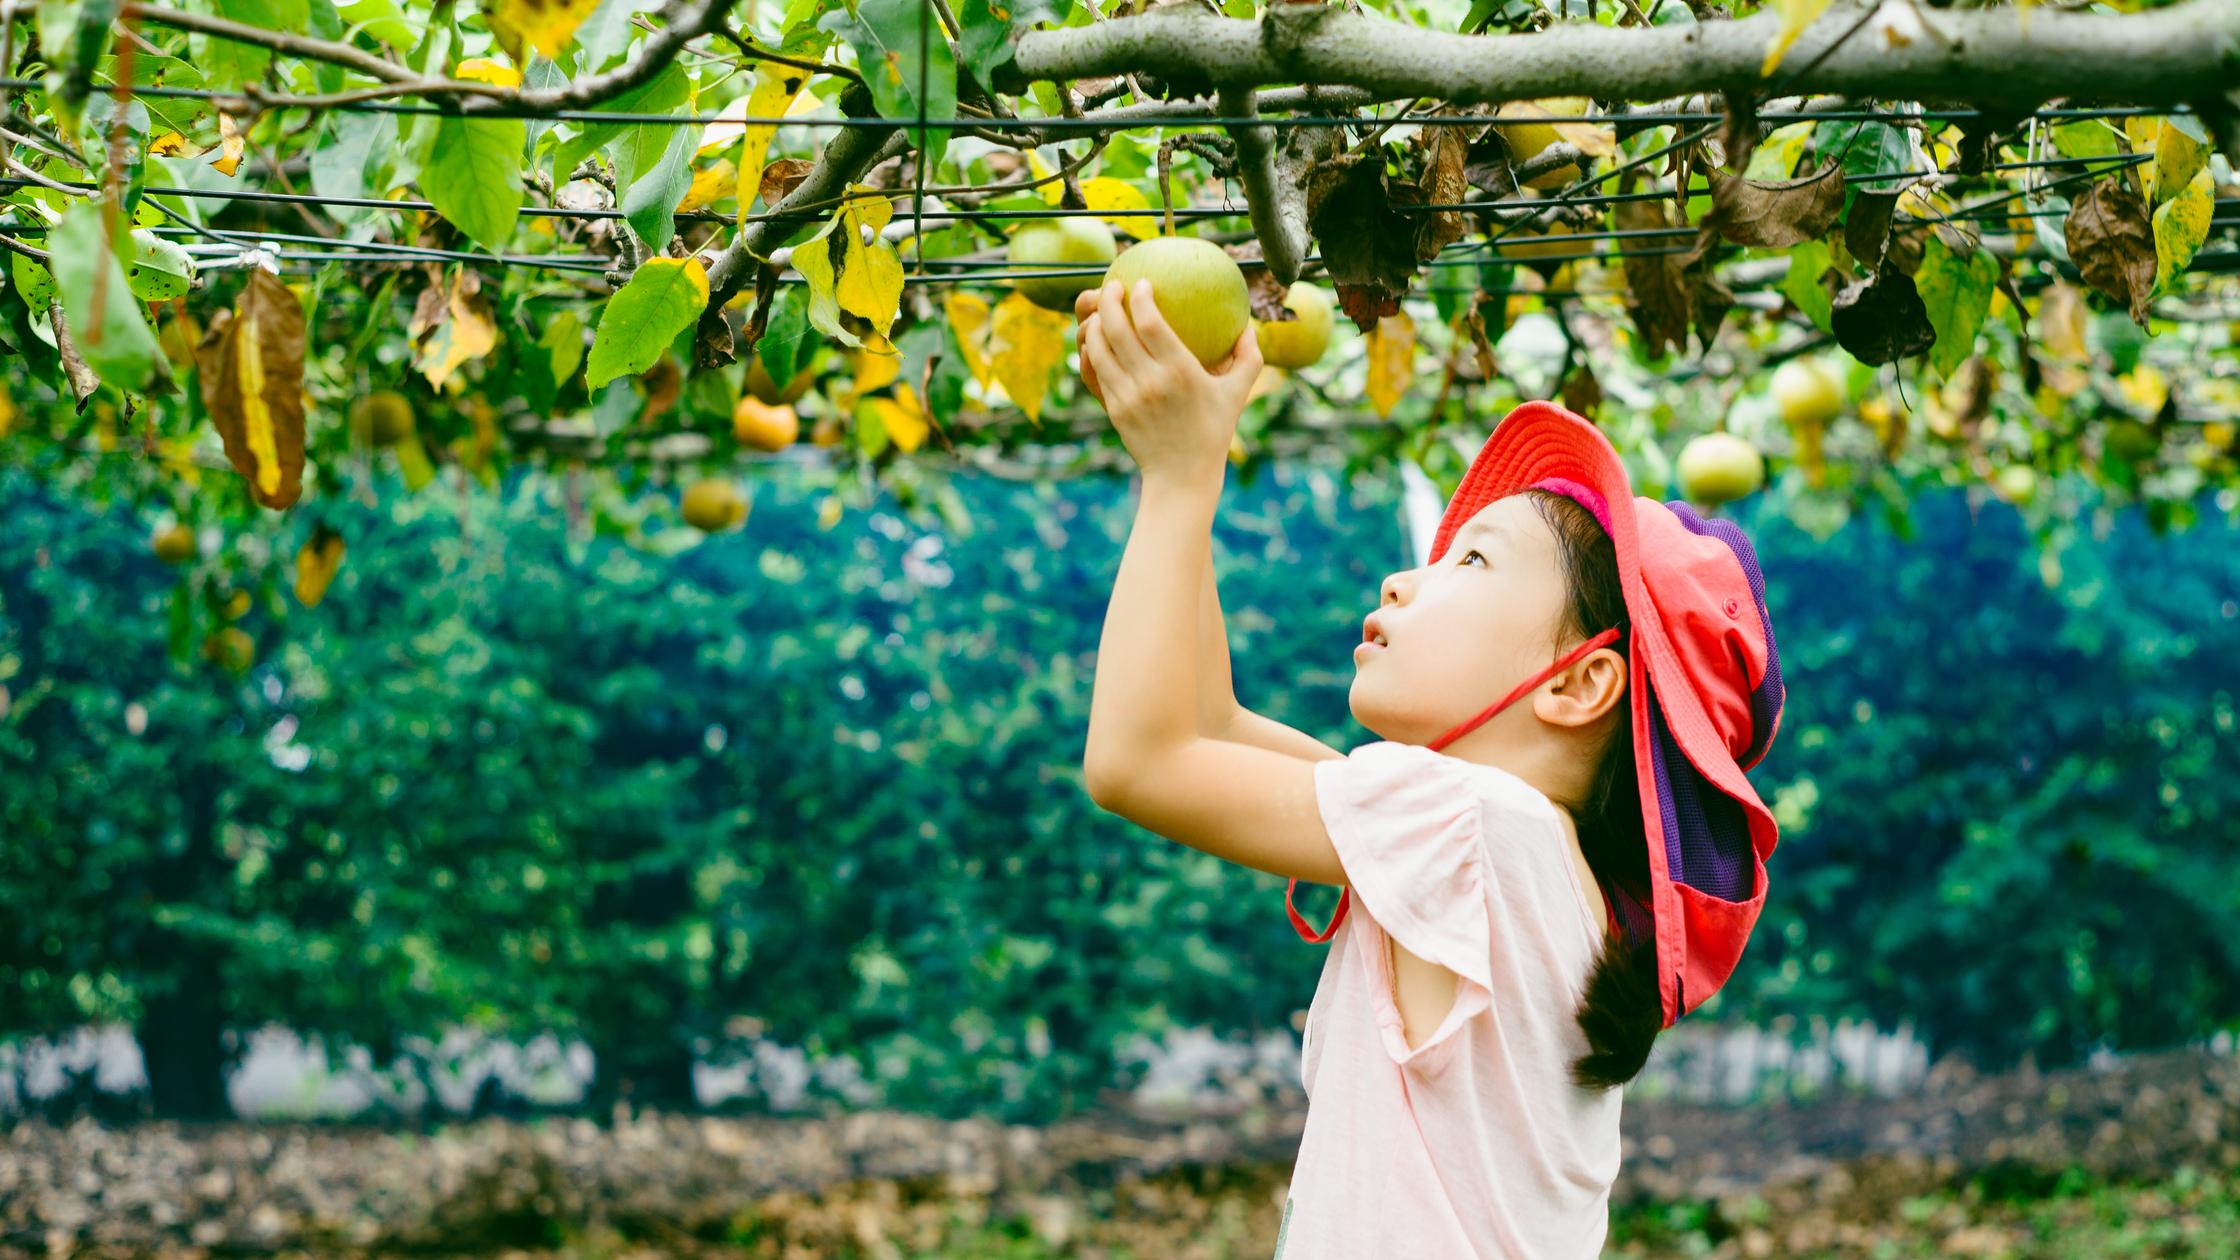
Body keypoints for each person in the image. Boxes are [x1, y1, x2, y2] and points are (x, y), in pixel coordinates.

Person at [1074, 276, 1787, 1259]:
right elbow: (1203, 721)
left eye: (1473, 562)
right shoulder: (1504, 848)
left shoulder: (1467, 821)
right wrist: (1200, 441)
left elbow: (1135, 761)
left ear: (1578, 686)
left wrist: (1178, 474)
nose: (1404, 578)